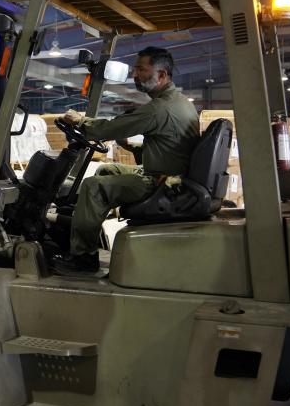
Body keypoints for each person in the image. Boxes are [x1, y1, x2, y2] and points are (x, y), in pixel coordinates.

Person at [53, 46, 200, 275]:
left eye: (141, 69)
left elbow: (113, 127)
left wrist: (81, 122)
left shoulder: (160, 108)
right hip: (167, 172)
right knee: (106, 169)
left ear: (161, 75)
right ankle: (86, 234)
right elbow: (171, 145)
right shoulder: (179, 101)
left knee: (93, 188)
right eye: (135, 69)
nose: (135, 75)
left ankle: (83, 257)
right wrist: (131, 146)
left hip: (163, 182)